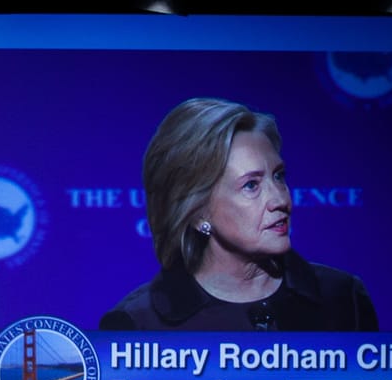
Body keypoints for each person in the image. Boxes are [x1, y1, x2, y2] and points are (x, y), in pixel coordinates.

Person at [100, 98, 377, 333]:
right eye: (251, 185)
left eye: (278, 176)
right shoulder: (138, 323)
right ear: (197, 213)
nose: (281, 200)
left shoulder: (343, 298)